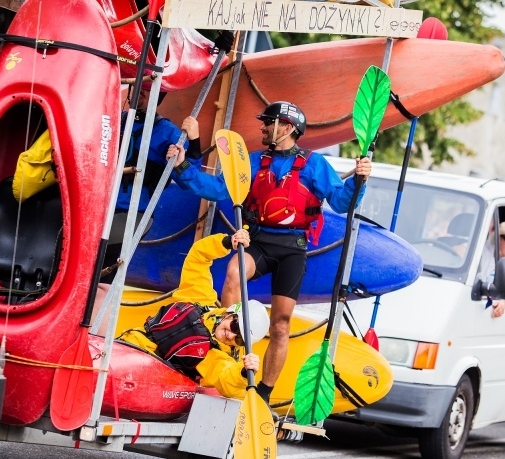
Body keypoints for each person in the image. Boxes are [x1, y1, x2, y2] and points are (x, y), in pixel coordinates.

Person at [167, 101, 372, 404]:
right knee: (235, 273)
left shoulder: (314, 165)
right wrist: (183, 166)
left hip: (293, 249)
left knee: (280, 325)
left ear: (286, 127)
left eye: (268, 122)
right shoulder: (251, 161)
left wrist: (359, 179)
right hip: (259, 241)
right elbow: (216, 189)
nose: (262, 127)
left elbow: (343, 203)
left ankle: (264, 392)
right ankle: (227, 351)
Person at [93, 229, 270, 399]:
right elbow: (198, 257)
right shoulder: (199, 297)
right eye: (234, 326)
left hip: (152, 377)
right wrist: (226, 242)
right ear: (229, 314)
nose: (231, 335)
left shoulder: (216, 356)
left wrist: (242, 373)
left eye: (239, 339)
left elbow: (226, 379)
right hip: (130, 347)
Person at [101, 87, 229, 282]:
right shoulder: (113, 120)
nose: (140, 92)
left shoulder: (168, 133)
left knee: (102, 272)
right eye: (138, 87)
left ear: (158, 97)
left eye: (147, 89)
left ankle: (98, 305)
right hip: (98, 207)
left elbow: (188, 178)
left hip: (132, 213)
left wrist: (194, 141)